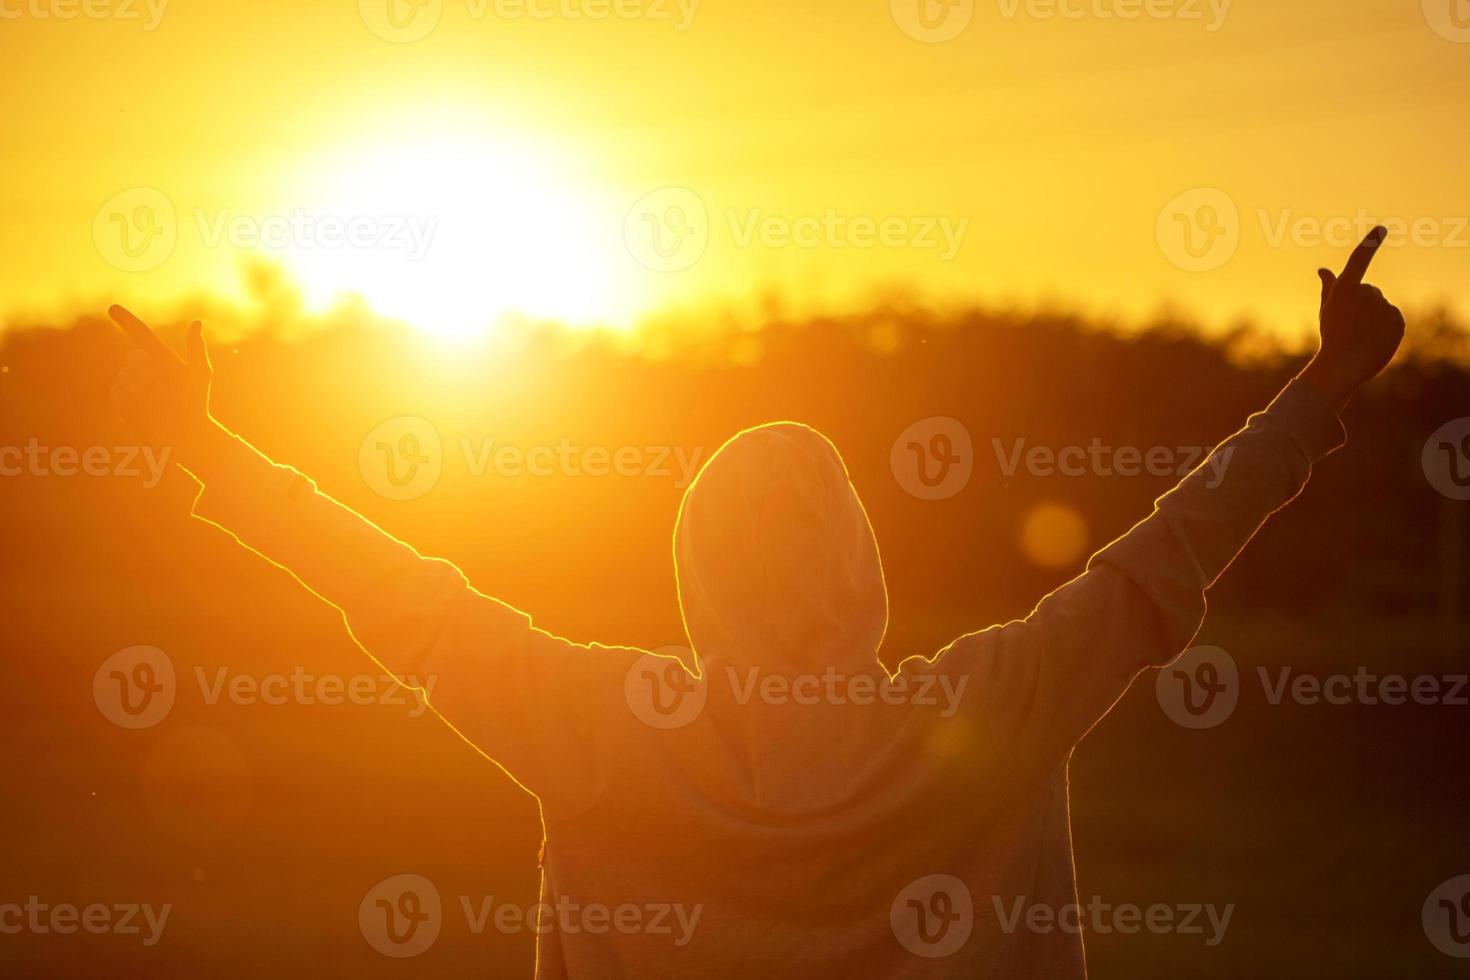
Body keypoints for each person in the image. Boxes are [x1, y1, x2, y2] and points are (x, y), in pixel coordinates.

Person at [104, 228, 1405, 978]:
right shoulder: (992, 707)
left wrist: (211, 457)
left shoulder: (600, 724)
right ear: (858, 564)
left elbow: (403, 597)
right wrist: (1321, 389)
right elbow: (1164, 554)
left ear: (695, 571)